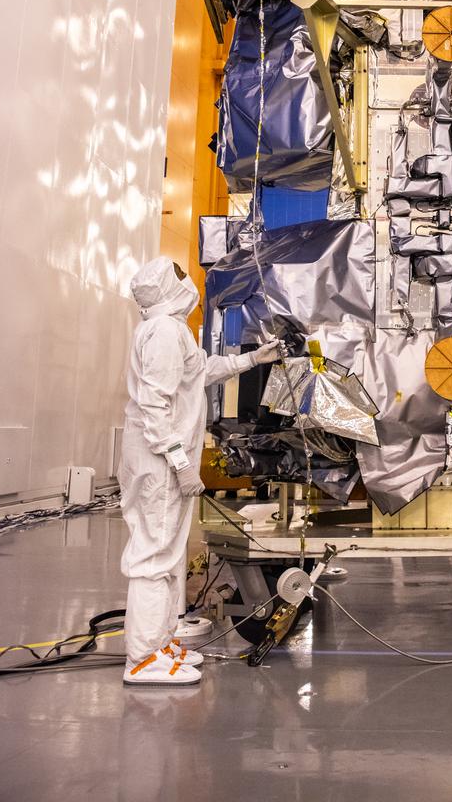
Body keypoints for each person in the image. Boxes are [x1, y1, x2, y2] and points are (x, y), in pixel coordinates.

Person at [118, 256, 278, 686]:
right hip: (158, 462)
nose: (187, 280)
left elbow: (199, 372)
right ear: (169, 289)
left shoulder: (171, 330)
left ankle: (161, 641)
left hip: (163, 459)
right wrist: (179, 461)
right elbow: (155, 405)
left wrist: (250, 360)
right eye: (179, 277)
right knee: (153, 557)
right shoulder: (165, 332)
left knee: (169, 557)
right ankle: (143, 658)